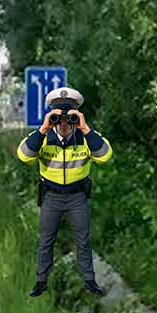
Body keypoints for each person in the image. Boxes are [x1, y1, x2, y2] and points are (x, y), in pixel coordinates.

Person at [16, 86, 113, 297]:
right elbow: (23, 155)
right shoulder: (43, 138)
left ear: (76, 117)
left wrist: (86, 129)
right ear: (51, 117)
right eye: (58, 117)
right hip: (52, 196)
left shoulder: (85, 138)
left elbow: (105, 155)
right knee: (46, 241)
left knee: (83, 241)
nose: (63, 123)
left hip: (77, 197)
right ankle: (41, 281)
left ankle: (89, 281)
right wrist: (42, 129)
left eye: (68, 117)